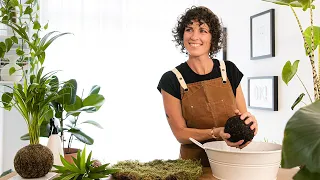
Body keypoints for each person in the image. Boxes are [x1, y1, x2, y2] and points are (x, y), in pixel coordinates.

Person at [157, 6, 258, 167]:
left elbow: (242, 116)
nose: (194, 36)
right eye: (189, 29)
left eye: (203, 30)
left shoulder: (229, 70)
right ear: (182, 34)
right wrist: (215, 132)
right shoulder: (171, 80)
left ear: (213, 38)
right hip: (193, 167)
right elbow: (180, 133)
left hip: (232, 162)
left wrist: (250, 125)